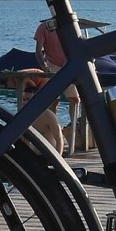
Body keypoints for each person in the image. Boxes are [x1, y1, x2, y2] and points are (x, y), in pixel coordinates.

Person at [32, 16, 80, 152]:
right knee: (53, 101)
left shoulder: (67, 26)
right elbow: (38, 50)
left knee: (75, 99)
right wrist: (44, 65)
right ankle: (53, 133)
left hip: (69, 64)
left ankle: (73, 129)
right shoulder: (44, 27)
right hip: (53, 65)